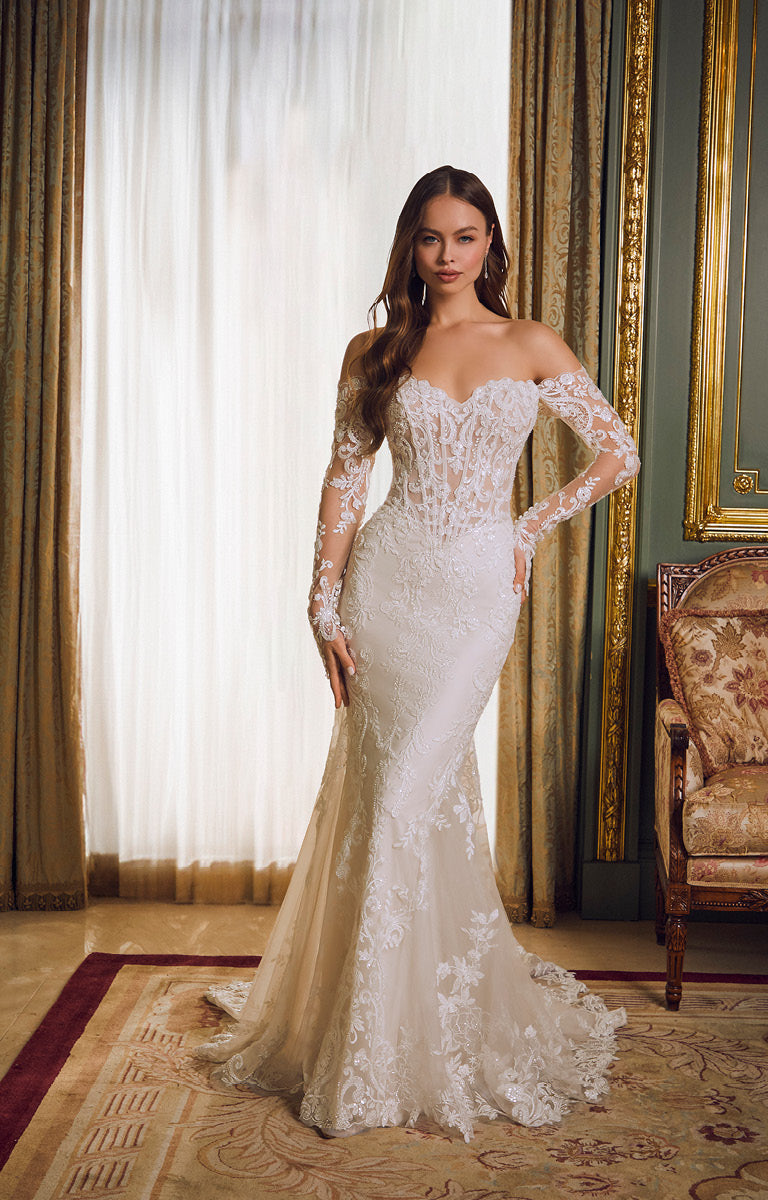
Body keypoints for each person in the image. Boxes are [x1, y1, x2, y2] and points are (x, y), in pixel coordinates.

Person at [198, 165, 640, 1142]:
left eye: (467, 236)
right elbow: (346, 479)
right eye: (432, 237)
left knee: (407, 796)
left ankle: (394, 1037)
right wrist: (321, 603)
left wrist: (529, 526)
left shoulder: (529, 342)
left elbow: (619, 452)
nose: (448, 254)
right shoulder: (378, 347)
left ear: (490, 243)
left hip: (478, 592)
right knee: (388, 795)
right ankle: (362, 1036)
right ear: (411, 244)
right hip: (387, 586)